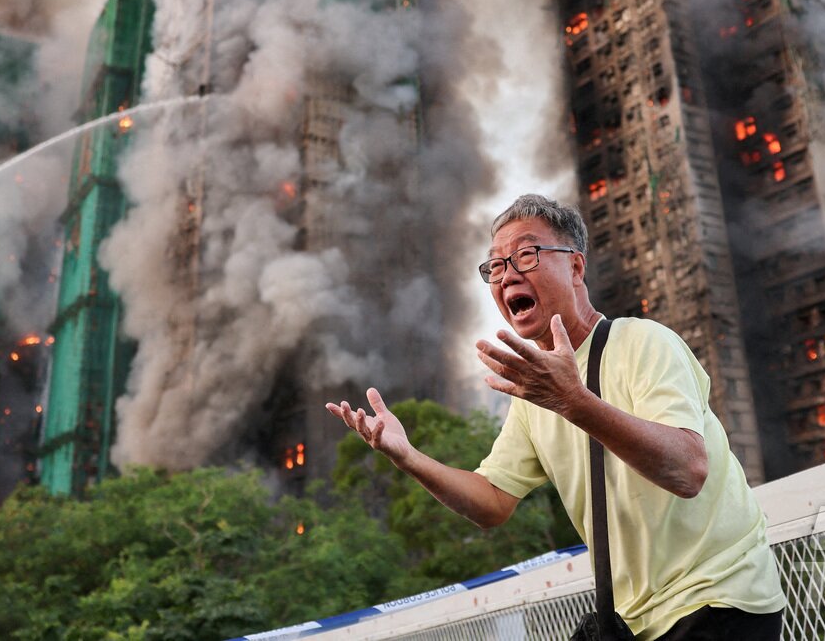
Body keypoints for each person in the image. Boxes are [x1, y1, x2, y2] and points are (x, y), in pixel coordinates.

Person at [327, 194, 786, 640]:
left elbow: (688, 470)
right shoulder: (533, 394)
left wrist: (573, 401)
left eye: (526, 255)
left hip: (717, 600)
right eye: (496, 265)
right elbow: (492, 502)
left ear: (576, 266)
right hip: (633, 621)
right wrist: (408, 457)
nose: (508, 275)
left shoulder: (644, 342)